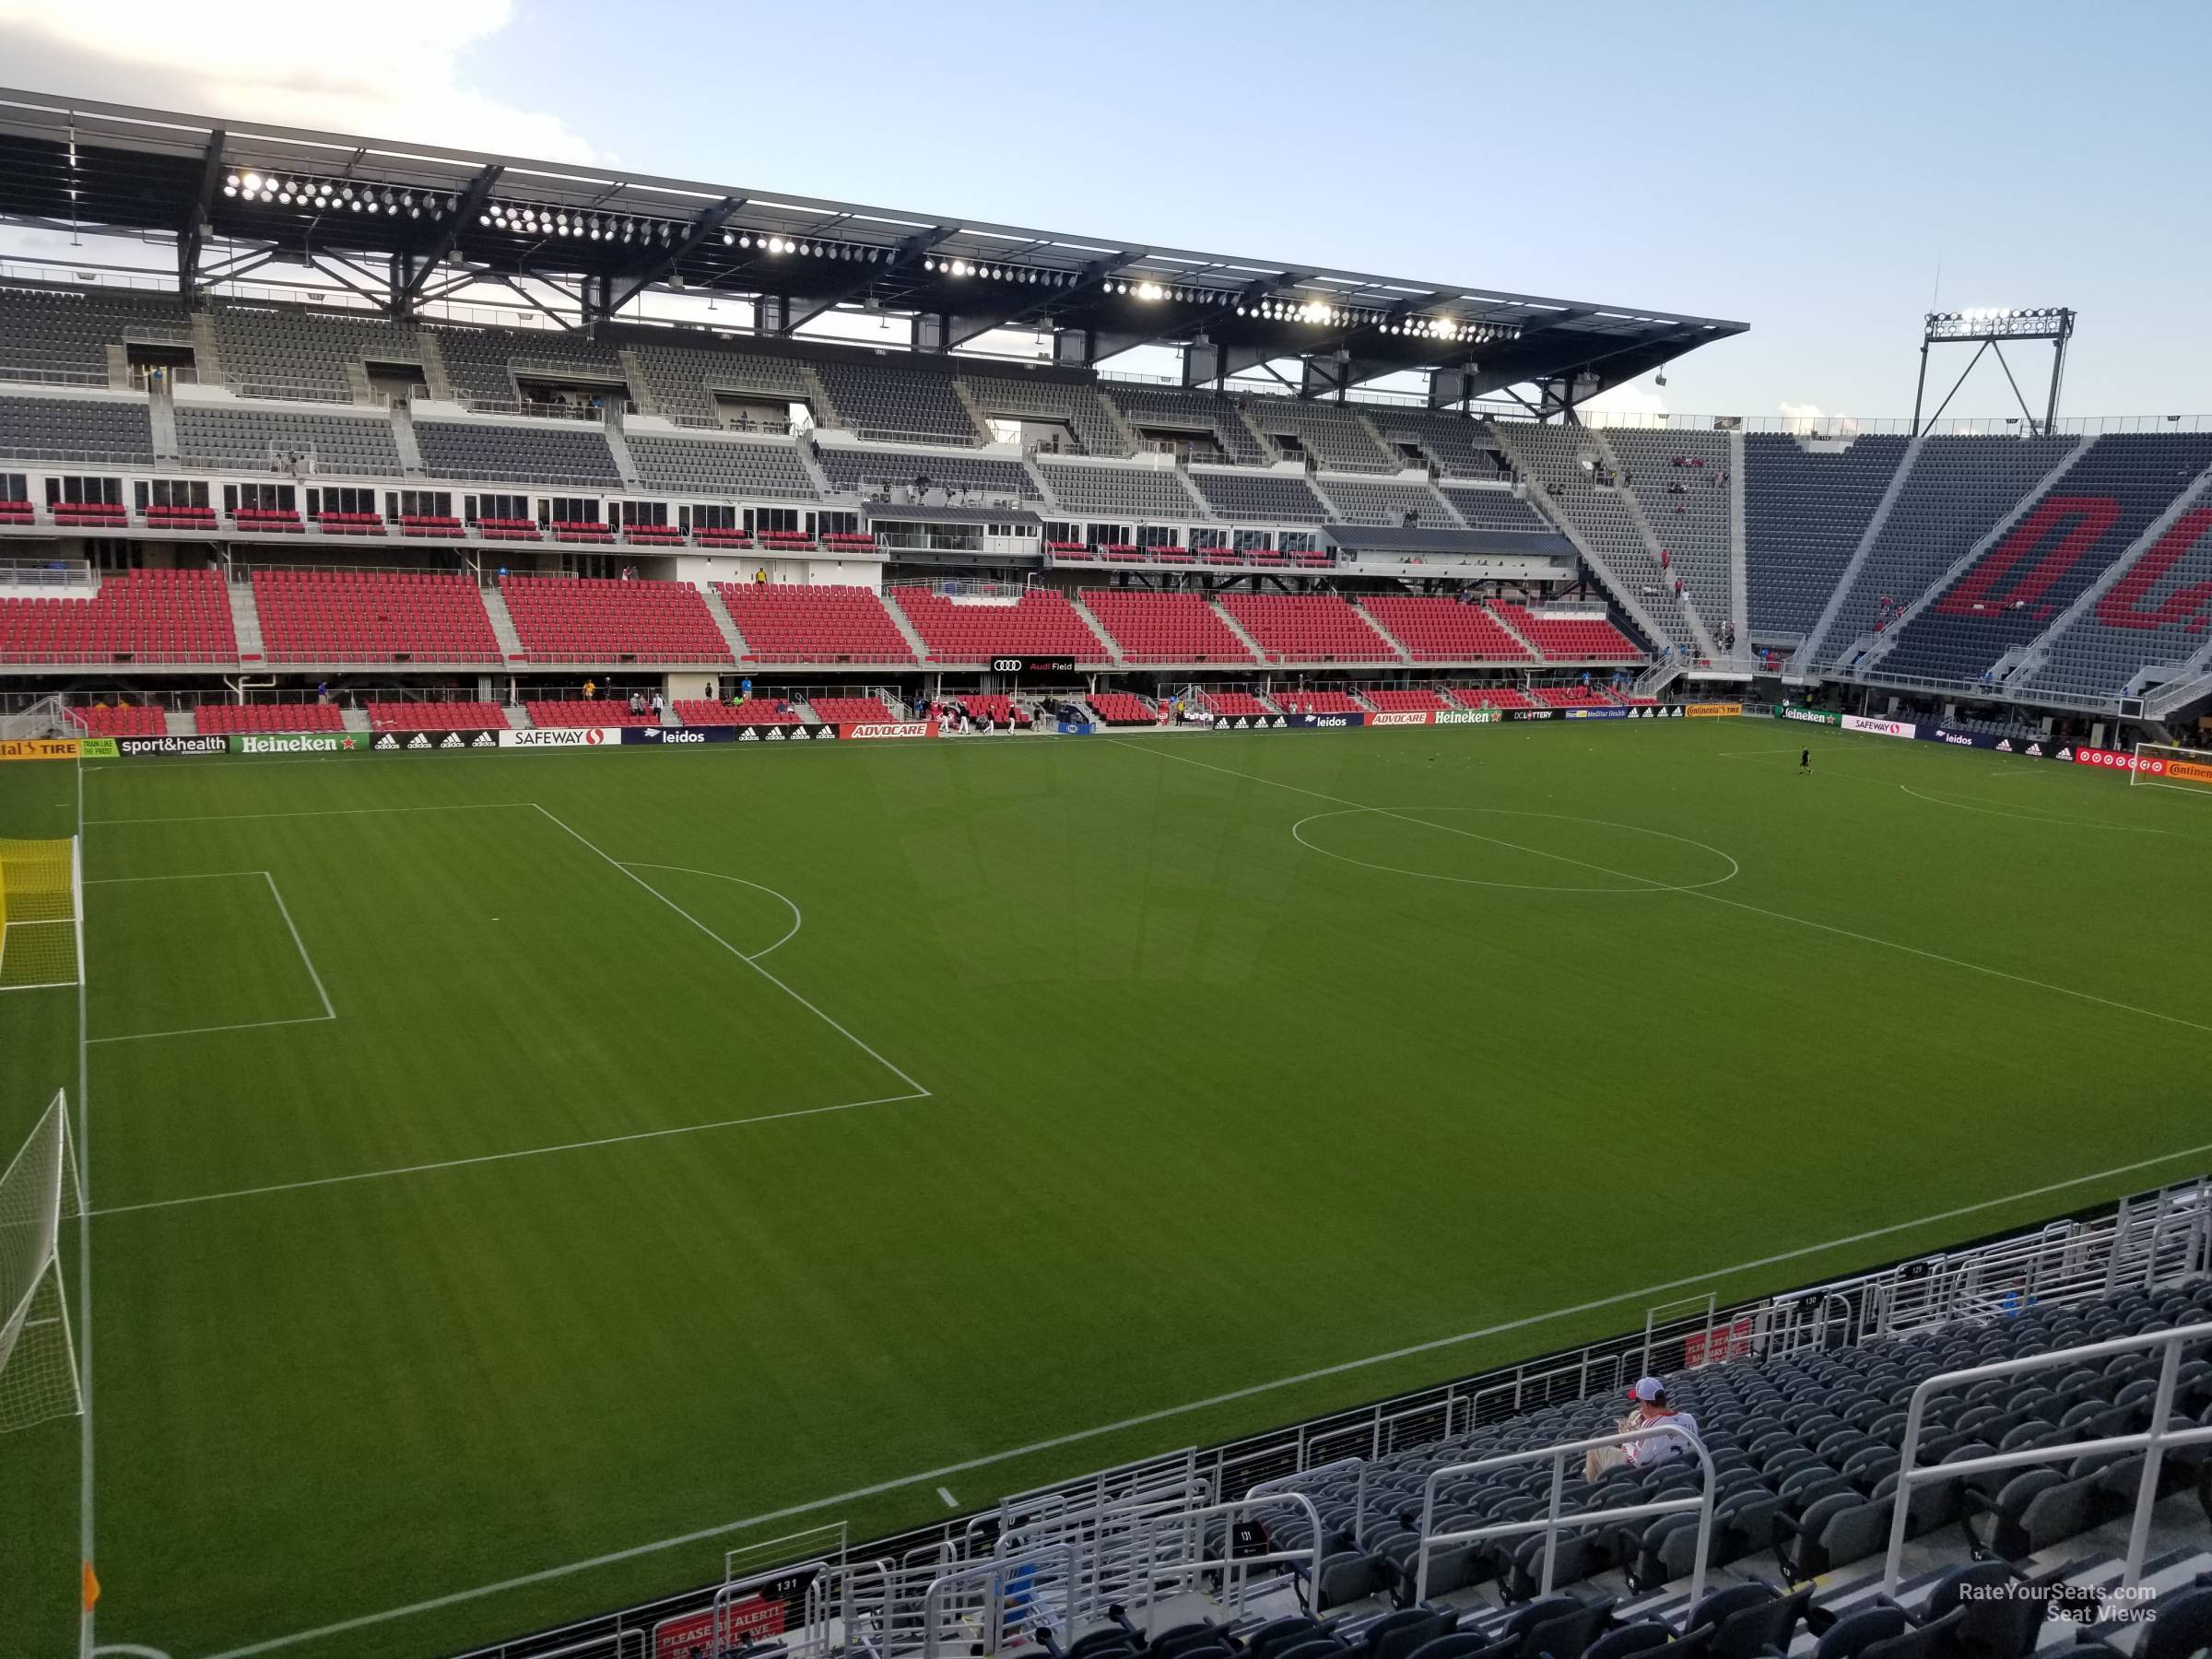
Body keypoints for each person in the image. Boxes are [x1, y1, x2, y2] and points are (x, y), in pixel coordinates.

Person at [1584, 1377, 1700, 1480]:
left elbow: (1639, 1461)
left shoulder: (1651, 1426)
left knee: (1592, 1449)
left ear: (1647, 1404)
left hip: (1642, 1472)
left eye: (1639, 1401)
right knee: (1634, 1415)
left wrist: (1626, 1437)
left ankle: (1593, 1489)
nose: (1639, 1405)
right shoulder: (1689, 1419)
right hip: (1677, 1469)